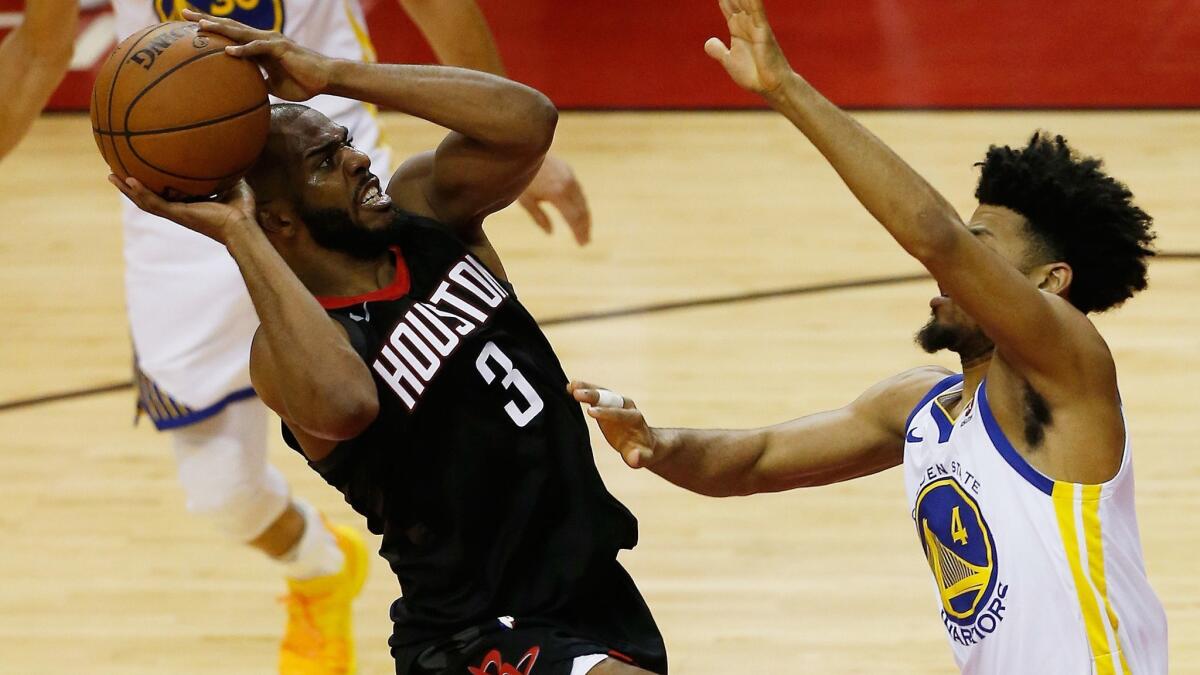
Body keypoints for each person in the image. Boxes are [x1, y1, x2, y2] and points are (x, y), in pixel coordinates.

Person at [568, 0, 1167, 673]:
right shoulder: (924, 410)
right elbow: (758, 459)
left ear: (1050, 282)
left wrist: (785, 89)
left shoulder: (1067, 366)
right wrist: (658, 442)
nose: (950, 274)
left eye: (980, 252)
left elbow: (933, 235)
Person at [1, 1, 590, 672]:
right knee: (222, 492)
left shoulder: (380, 183)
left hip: (322, 173)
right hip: (187, 208)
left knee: (450, 443)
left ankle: (524, 611)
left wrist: (516, 152)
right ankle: (321, 567)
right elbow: (37, 51)